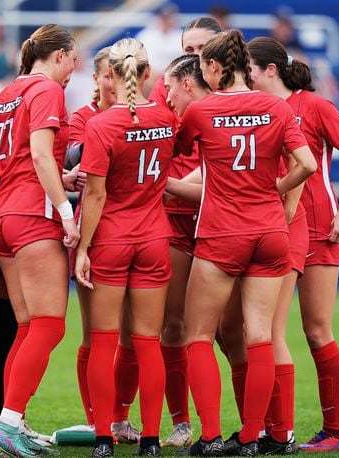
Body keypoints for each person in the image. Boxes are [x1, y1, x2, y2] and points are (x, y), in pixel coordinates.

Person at [175, 29, 316, 456]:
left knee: (197, 335)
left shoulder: (201, 111)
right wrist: (275, 189)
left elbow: (176, 152)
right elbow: (306, 164)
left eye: (203, 67)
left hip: (222, 232)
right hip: (271, 233)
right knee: (259, 336)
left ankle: (211, 437)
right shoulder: (275, 106)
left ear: (214, 68)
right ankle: (253, 437)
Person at [247, 36, 339, 453]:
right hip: (272, 228)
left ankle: (333, 432)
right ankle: (273, 429)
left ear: (270, 69)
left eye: (249, 65)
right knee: (266, 331)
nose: (244, 74)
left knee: (316, 331)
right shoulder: (254, 108)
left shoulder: (313, 106)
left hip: (319, 227)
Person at [74, 37, 175, 458]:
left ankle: (103, 439)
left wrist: (82, 248)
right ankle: (151, 439)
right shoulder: (168, 119)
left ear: (109, 76)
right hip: (155, 237)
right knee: (148, 342)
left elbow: (94, 196)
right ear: (148, 73)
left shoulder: (101, 125)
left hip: (112, 239)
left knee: (102, 340)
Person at [0, 24, 78, 458]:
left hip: (1, 212)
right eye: (73, 61)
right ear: (59, 55)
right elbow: (39, 154)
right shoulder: (47, 92)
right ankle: (6, 425)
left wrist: (63, 179)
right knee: (50, 324)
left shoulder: (7, 93)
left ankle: (10, 422)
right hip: (32, 215)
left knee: (26, 326)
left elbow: (19, 158)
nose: (73, 72)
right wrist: (65, 211)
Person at [147, 16, 222, 449]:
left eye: (203, 48)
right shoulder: (169, 87)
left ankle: (265, 427)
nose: (195, 56)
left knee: (236, 335)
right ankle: (182, 422)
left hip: (223, 220)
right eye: (188, 48)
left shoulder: (237, 93)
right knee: (172, 326)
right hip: (177, 216)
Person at [136, 3, 183, 93]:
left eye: (169, 17)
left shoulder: (181, 36)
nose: (166, 21)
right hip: (150, 76)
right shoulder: (146, 35)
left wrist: (167, 74)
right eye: (163, 18)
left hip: (174, 76)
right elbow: (140, 59)